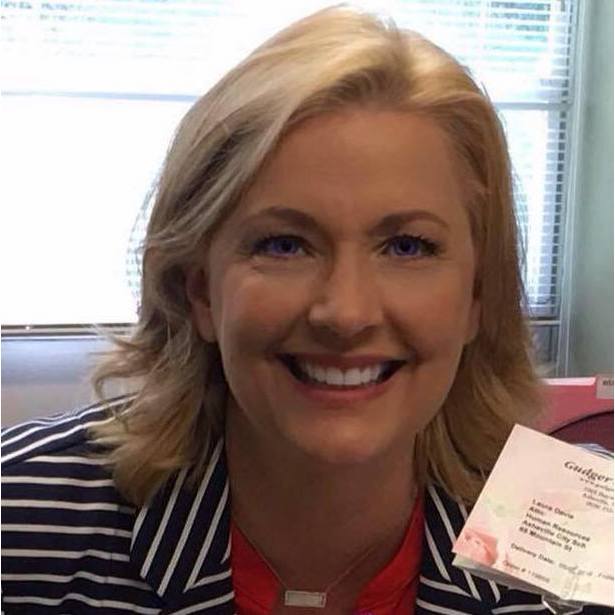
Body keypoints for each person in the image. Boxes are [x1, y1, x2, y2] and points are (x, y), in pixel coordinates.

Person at [1, 6, 609, 615]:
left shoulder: (595, 534)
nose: (345, 313)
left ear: (478, 295)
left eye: (407, 246)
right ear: (199, 291)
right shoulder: (19, 522)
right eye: (283, 245)